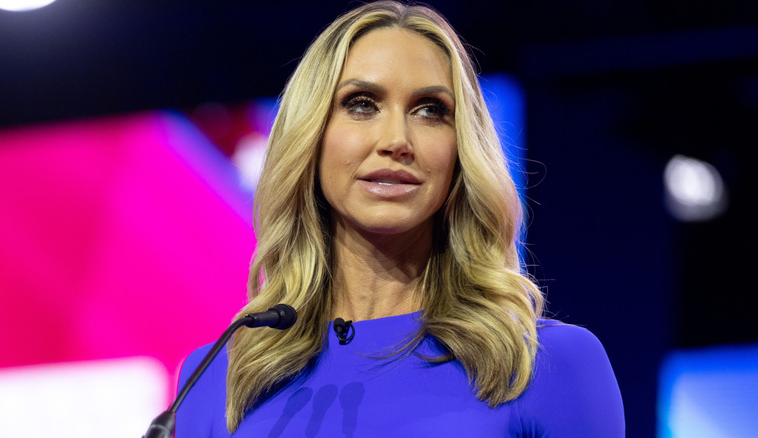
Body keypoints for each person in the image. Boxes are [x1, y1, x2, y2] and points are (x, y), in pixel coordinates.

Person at [175, 1, 624, 436]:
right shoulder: (217, 380)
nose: (396, 140)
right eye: (361, 104)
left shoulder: (548, 365)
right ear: (310, 136)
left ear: (460, 152)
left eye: (430, 110)